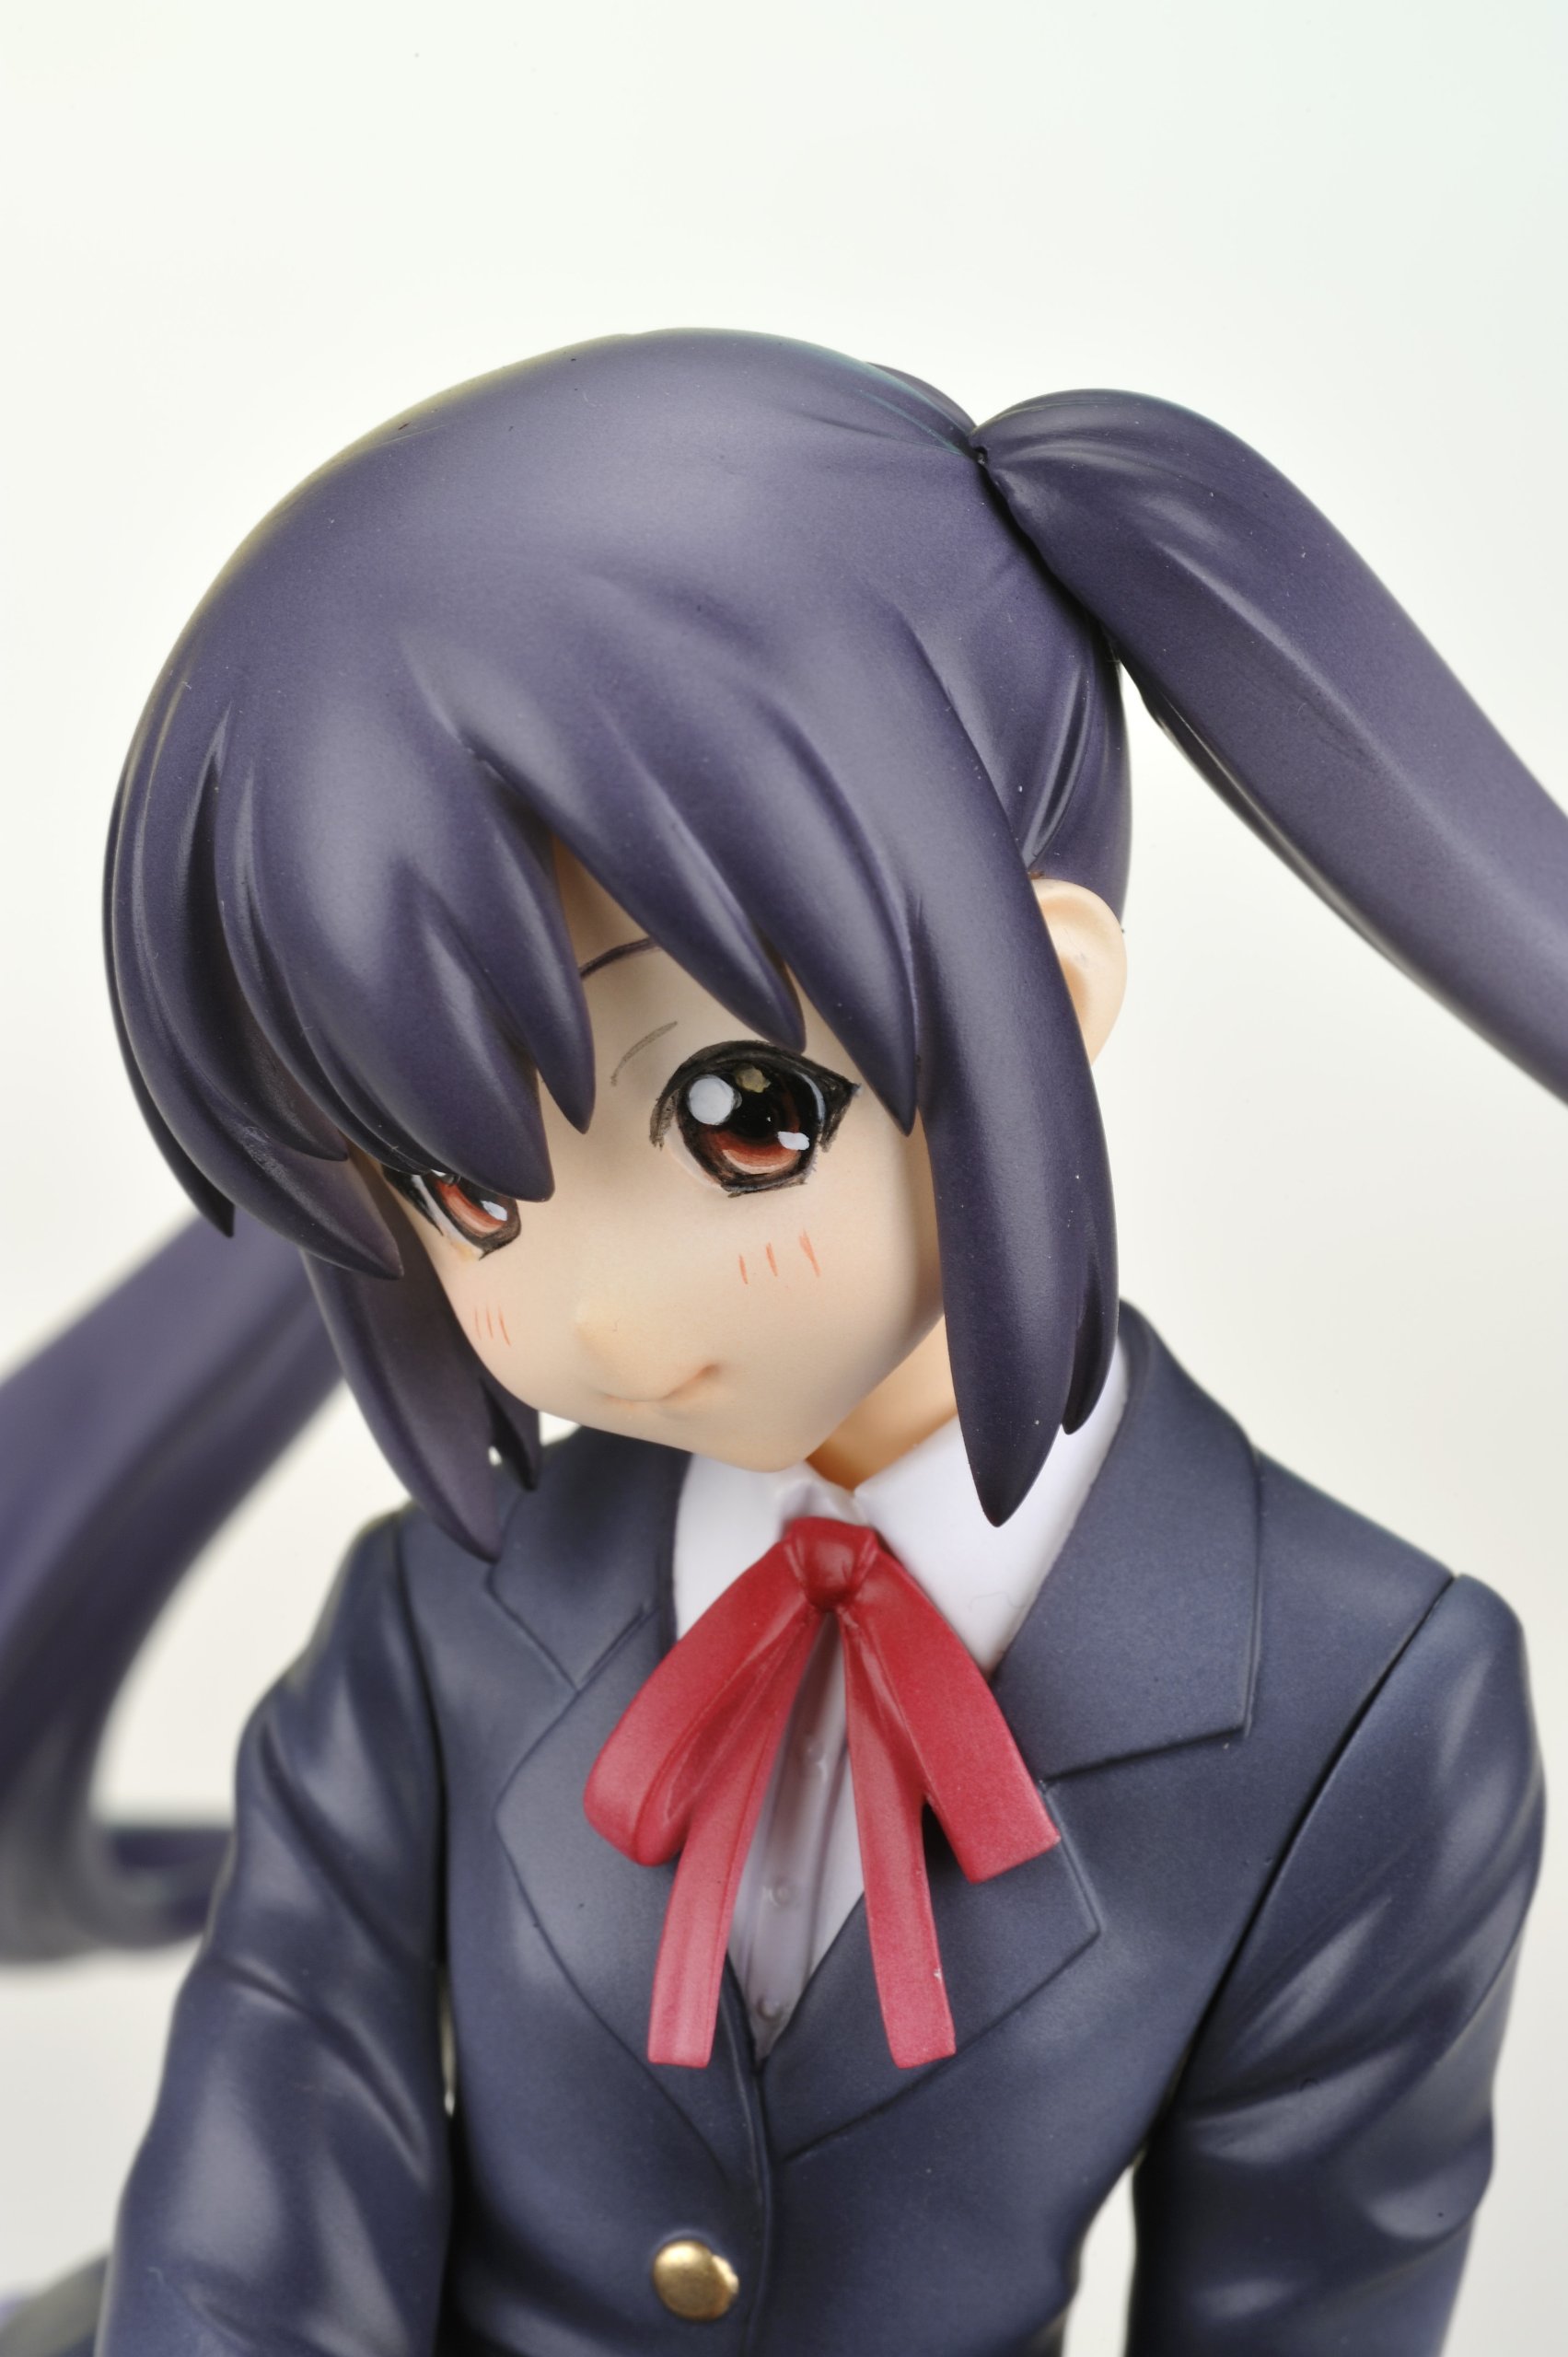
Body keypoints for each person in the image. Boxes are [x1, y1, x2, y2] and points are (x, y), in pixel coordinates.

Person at [0, 329, 1560, 2354]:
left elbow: (1308, 2298)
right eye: (465, 1188)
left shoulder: (1370, 1707)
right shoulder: (436, 1620)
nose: (591, 1311)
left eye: (742, 1112)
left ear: (1045, 986)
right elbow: (265, 2197)